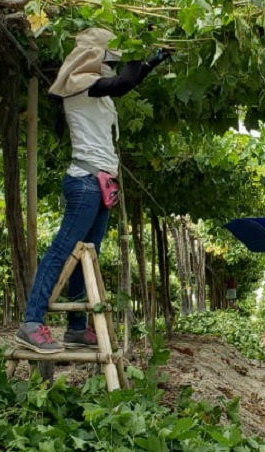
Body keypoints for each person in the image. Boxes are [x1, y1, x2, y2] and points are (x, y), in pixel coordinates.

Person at [15, 27, 170, 354]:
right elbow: (124, 83)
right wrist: (143, 52)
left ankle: (75, 329)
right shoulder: (81, 86)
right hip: (85, 183)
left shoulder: (94, 88)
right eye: (108, 58)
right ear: (93, 58)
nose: (111, 65)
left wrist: (147, 63)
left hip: (100, 183)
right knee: (62, 251)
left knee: (85, 256)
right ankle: (31, 323)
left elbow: (121, 82)